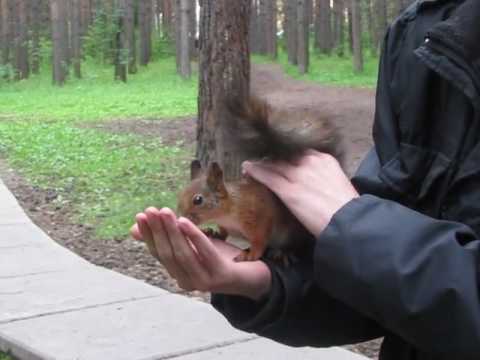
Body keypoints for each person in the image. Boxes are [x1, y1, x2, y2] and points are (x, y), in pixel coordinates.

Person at [130, 0, 480, 359]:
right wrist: (267, 283)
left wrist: (356, 225)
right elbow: (378, 294)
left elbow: (349, 237)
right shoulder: (420, 33)